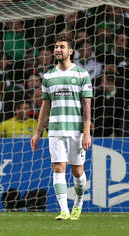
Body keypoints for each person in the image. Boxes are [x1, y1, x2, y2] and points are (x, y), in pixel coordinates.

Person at [31, 34, 93, 221]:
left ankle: (79, 202)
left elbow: (87, 105)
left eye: (62, 47)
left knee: (78, 171)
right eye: (56, 47)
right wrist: (38, 132)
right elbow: (45, 106)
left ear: (70, 51)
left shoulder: (82, 74)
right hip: (56, 130)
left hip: (76, 130)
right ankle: (64, 210)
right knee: (58, 168)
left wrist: (87, 132)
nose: (58, 50)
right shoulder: (49, 76)